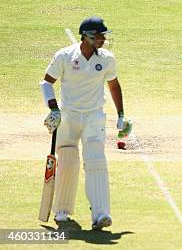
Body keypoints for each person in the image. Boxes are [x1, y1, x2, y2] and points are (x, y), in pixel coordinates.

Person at [40, 16, 132, 229]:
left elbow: (114, 85)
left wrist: (121, 114)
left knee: (96, 160)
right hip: (68, 116)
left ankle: (101, 215)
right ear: (87, 36)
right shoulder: (64, 56)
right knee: (69, 163)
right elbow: (46, 82)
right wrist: (53, 108)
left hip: (94, 116)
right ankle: (62, 211)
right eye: (100, 35)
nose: (103, 39)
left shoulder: (107, 58)